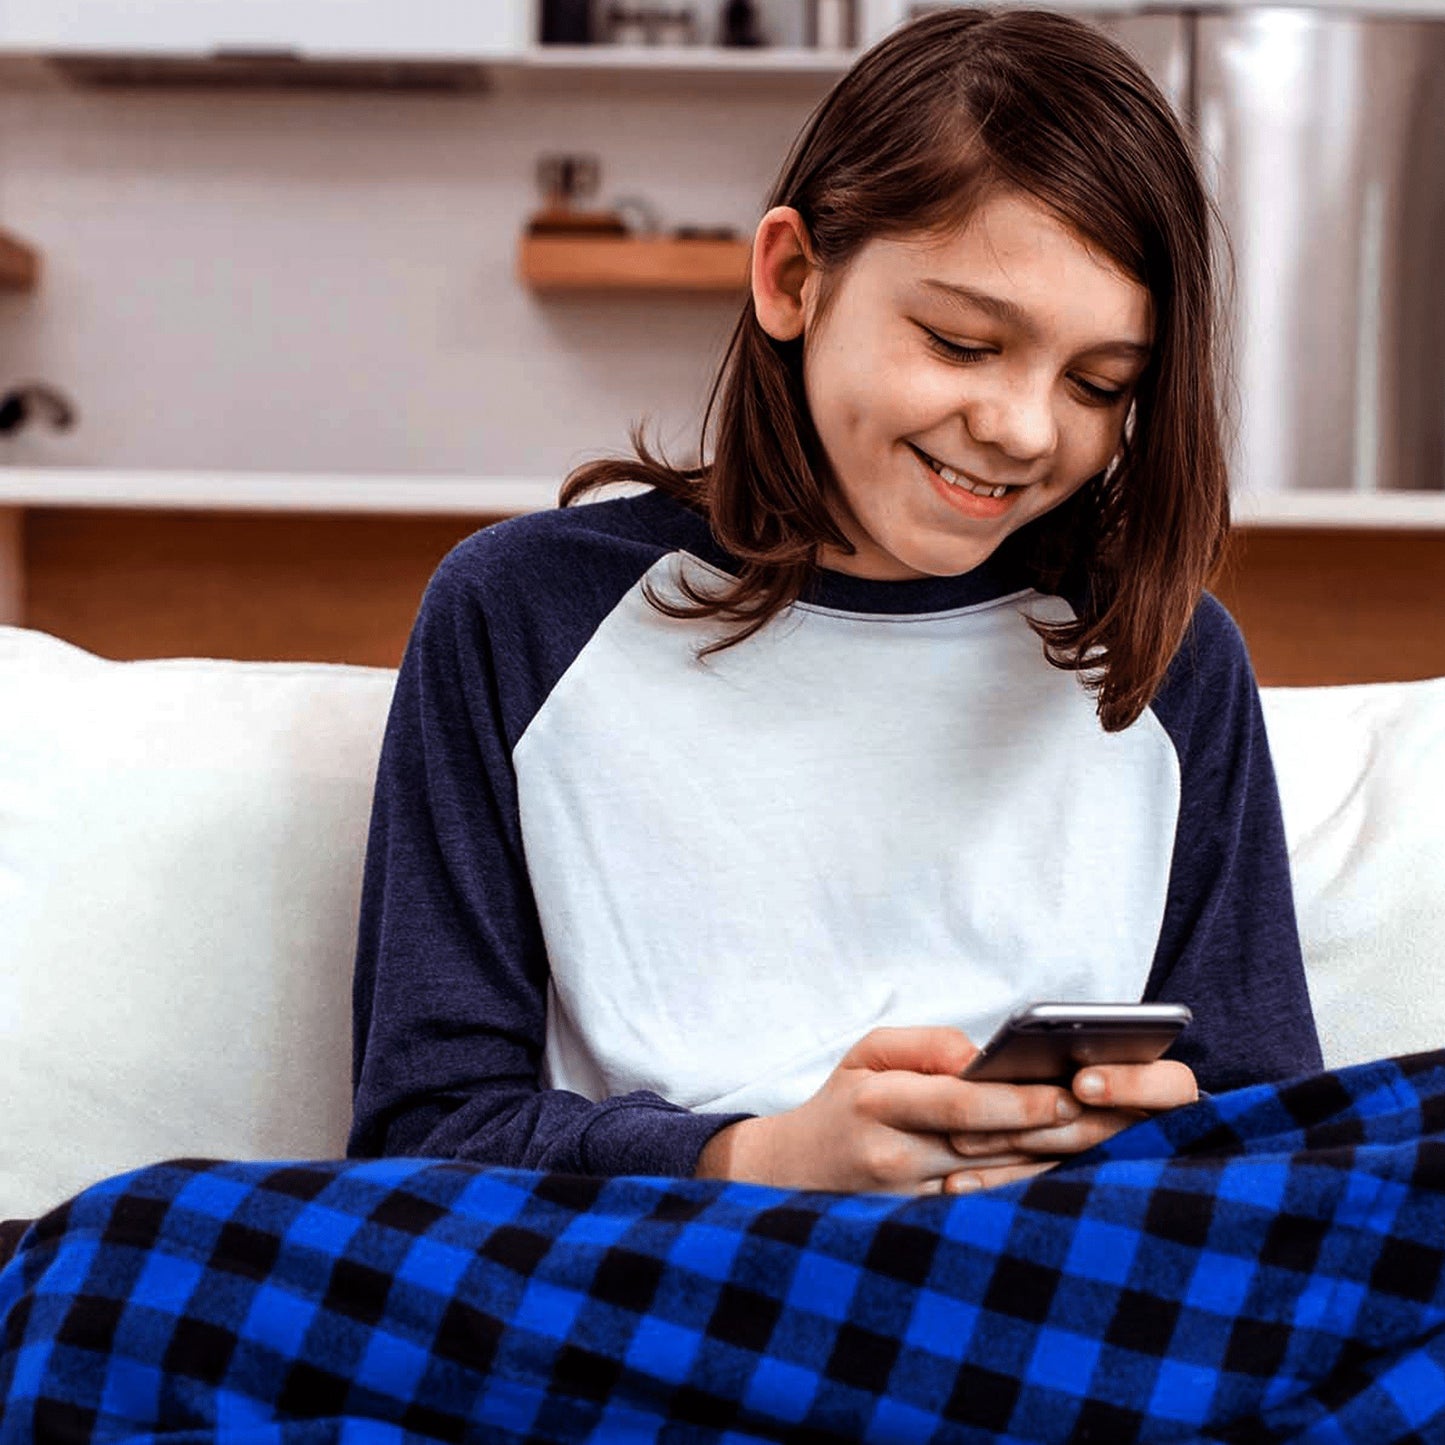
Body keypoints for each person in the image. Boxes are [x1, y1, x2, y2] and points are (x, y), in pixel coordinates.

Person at [347, 5, 1322, 1202]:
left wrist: (1152, 1140)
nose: (1023, 428)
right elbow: (422, 1132)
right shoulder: (518, 612)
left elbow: (1275, 1138)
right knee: (154, 1224)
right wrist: (755, 1157)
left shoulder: (1165, 655)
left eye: (1095, 383)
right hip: (671, 1263)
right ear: (791, 279)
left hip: (1041, 1265)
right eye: (961, 343)